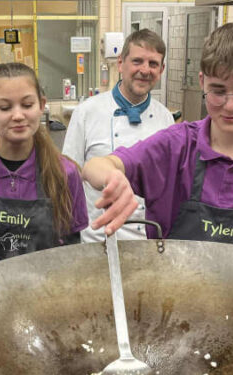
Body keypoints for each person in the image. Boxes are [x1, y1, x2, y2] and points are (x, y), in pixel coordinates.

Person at [82, 20, 233, 256]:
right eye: (218, 90)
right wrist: (112, 176)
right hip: (169, 289)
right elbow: (95, 166)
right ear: (202, 81)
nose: (230, 105)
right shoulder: (175, 146)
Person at [0, 63, 88, 266]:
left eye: (27, 105)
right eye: (4, 107)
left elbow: (73, 250)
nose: (18, 115)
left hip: (51, 291)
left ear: (41, 105)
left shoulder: (66, 173)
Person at [62, 29, 174, 242]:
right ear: (121, 63)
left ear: (162, 69)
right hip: (97, 239)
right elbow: (69, 179)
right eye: (137, 61)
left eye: (153, 64)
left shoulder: (165, 119)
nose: (145, 70)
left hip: (149, 239)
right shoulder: (87, 112)